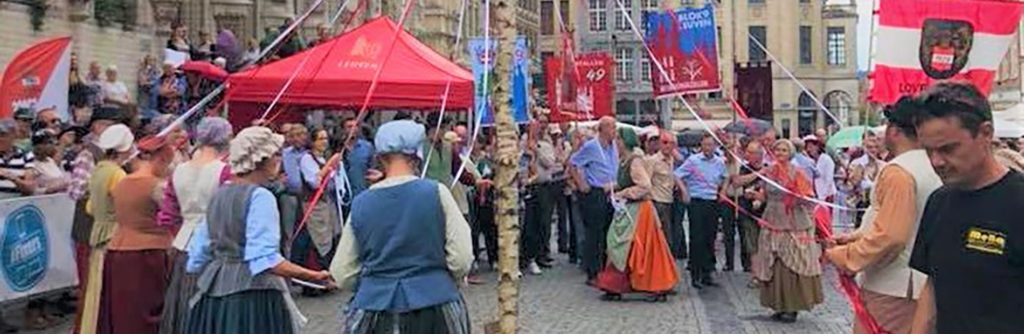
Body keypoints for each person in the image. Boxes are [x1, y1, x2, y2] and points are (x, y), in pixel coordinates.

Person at [329, 119, 473, 333]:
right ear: (417, 155)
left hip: (376, 308)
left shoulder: (362, 202)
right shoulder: (436, 192)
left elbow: (342, 272)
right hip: (435, 303)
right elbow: (461, 258)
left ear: (379, 158)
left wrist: (372, 284)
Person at [186, 126, 330, 334]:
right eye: (276, 155)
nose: (278, 161)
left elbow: (199, 253)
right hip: (252, 294)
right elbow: (264, 259)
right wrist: (312, 275)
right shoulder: (260, 197)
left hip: (214, 287)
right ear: (261, 159)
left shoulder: (220, 193)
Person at [908, 83, 1024, 334]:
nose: (937, 161)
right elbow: (932, 286)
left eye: (948, 149)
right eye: (929, 151)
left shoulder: (1018, 202)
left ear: (986, 133)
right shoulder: (938, 202)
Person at [824, 98, 943, 334]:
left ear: (894, 130)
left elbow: (892, 236)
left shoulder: (898, 171)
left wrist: (846, 257)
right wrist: (856, 237)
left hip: (895, 286)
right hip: (918, 285)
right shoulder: (934, 165)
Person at [157, 117, 233, 334]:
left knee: (182, 303)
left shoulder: (178, 171)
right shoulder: (224, 171)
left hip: (183, 243)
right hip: (215, 247)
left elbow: (168, 216)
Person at [99, 135, 175, 333]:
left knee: (120, 311)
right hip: (148, 253)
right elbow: (173, 216)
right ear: (161, 158)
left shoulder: (122, 183)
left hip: (117, 251)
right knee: (145, 313)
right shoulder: (157, 186)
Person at [594, 128, 678, 301]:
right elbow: (627, 180)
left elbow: (644, 185)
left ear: (625, 141)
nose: (616, 142)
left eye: (618, 139)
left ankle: (656, 287)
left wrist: (623, 193)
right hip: (630, 209)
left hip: (641, 211)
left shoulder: (635, 161)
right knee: (621, 245)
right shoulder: (625, 160)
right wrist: (611, 186)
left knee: (642, 248)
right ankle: (615, 285)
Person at [751, 139, 823, 323]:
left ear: (790, 153)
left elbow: (809, 198)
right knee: (772, 262)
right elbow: (765, 194)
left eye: (784, 150)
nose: (780, 152)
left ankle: (792, 306)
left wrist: (797, 197)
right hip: (772, 219)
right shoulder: (770, 171)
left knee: (791, 263)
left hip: (792, 222)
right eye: (777, 149)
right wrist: (757, 197)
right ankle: (778, 304)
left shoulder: (797, 172)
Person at [68, 106, 120, 333]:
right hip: (89, 229)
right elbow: (76, 190)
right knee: (89, 286)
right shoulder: (88, 154)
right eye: (108, 125)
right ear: (97, 126)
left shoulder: (114, 154)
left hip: (108, 231)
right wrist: (101, 188)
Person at [79, 123, 134, 333]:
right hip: (114, 234)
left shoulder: (99, 170)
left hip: (98, 232)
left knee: (96, 288)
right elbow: (126, 205)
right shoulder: (117, 174)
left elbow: (91, 206)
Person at [569, 116, 619, 284]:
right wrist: (581, 183)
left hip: (611, 192)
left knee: (607, 232)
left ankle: (604, 268)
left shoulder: (614, 147)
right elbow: (573, 163)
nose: (614, 131)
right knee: (594, 234)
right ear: (603, 129)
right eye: (612, 127)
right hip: (595, 192)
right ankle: (592, 272)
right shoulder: (591, 146)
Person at [292, 128, 342, 291]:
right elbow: (314, 182)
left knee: (330, 238)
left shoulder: (322, 158)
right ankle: (312, 282)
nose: (324, 142)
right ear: (313, 142)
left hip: (326, 203)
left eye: (326, 139)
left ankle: (326, 278)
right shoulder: (307, 159)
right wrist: (329, 165)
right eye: (320, 139)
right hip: (313, 206)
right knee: (315, 241)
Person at [674, 133, 727, 289]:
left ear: (715, 147)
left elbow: (725, 177)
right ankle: (695, 273)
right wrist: (684, 191)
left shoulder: (719, 162)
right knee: (697, 238)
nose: (708, 148)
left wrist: (722, 191)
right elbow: (677, 175)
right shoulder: (693, 161)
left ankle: (707, 272)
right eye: (705, 145)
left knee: (710, 237)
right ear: (701, 146)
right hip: (697, 202)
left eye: (711, 145)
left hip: (712, 202)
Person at [730, 139, 767, 273]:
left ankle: (765, 273)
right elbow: (737, 182)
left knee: (765, 244)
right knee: (752, 245)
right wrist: (758, 174)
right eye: (748, 152)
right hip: (748, 212)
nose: (749, 155)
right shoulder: (744, 168)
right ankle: (756, 274)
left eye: (753, 152)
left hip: (766, 213)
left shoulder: (769, 167)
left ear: (760, 154)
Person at [646, 131, 679, 265]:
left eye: (671, 143)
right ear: (659, 144)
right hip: (657, 202)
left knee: (669, 239)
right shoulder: (652, 161)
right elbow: (646, 182)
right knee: (662, 240)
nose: (667, 146)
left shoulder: (672, 160)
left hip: (670, 201)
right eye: (664, 142)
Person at [0, 119, 37, 199]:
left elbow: (30, 189)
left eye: (3, 135)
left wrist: (12, 178)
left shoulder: (26, 156)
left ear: (14, 135)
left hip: (15, 205)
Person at [340, 118, 374, 201]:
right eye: (349, 127)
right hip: (342, 195)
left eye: (355, 126)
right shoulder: (337, 147)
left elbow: (373, 168)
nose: (353, 129)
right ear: (343, 129)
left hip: (362, 193)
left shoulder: (367, 147)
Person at [31, 130, 68, 194]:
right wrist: (48, 190)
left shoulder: (50, 160)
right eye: (49, 143)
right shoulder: (32, 164)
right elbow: (31, 190)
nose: (53, 146)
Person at [803, 135, 836, 201]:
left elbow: (829, 179)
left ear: (817, 147)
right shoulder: (810, 161)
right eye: (807, 147)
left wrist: (823, 196)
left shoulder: (826, 159)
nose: (809, 150)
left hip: (827, 195)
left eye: (811, 147)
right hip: (815, 195)